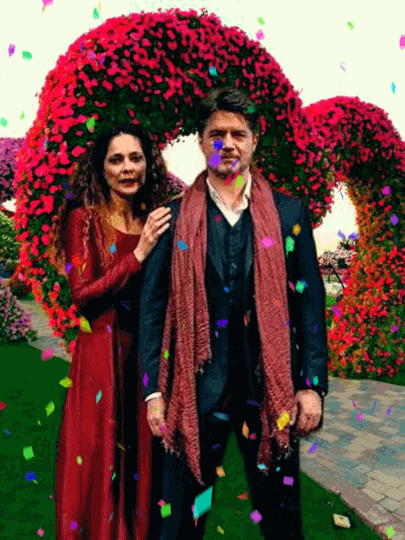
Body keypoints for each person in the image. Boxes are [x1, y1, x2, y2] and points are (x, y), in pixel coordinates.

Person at [138, 87, 329, 539]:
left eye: (238, 134)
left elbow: (309, 305)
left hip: (271, 395)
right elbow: (152, 309)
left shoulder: (288, 213)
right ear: (202, 142)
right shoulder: (173, 216)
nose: (228, 143)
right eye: (217, 134)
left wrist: (311, 385)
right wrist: (153, 392)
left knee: (281, 522)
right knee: (182, 523)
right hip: (195, 393)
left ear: (254, 142)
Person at [50, 124, 186, 539]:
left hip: (143, 359)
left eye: (135, 158)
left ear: (148, 164)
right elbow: (82, 296)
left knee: (141, 463)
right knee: (99, 457)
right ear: (102, 167)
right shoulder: (84, 219)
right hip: (101, 357)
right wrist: (139, 253)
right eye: (116, 159)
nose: (127, 167)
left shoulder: (153, 220)